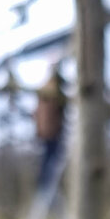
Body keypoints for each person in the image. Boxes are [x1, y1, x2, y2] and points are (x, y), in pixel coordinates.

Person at [33, 62, 67, 197]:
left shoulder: (46, 89)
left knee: (48, 159)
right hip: (51, 133)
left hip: (46, 132)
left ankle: (45, 183)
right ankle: (44, 183)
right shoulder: (52, 88)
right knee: (51, 159)